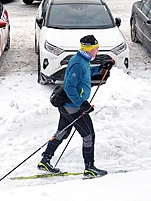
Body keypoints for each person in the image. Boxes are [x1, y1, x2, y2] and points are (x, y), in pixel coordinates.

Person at [38, 35, 114, 178]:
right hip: (73, 106)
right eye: (96, 48)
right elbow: (69, 87)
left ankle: (45, 160)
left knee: (62, 133)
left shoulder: (83, 60)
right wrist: (82, 104)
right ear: (90, 49)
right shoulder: (78, 63)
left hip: (69, 106)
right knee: (88, 135)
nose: (97, 50)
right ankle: (89, 168)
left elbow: (85, 75)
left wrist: (100, 68)